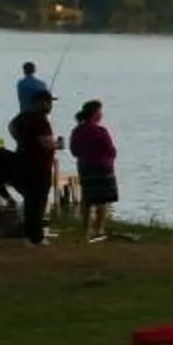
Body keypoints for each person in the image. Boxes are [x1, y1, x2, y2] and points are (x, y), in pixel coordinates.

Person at [6, 89, 61, 246]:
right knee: (38, 202)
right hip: (39, 168)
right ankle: (35, 236)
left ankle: (30, 234)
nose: (50, 105)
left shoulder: (22, 117)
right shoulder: (41, 121)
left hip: (22, 164)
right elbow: (46, 143)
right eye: (48, 102)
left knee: (30, 201)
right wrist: (58, 145)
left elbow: (11, 127)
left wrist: (22, 140)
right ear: (40, 103)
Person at [71, 100, 119, 242]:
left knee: (87, 198)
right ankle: (99, 229)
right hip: (102, 167)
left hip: (85, 167)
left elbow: (74, 150)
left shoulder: (77, 131)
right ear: (94, 113)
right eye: (100, 111)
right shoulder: (100, 131)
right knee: (102, 199)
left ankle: (85, 230)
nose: (101, 114)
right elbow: (111, 150)